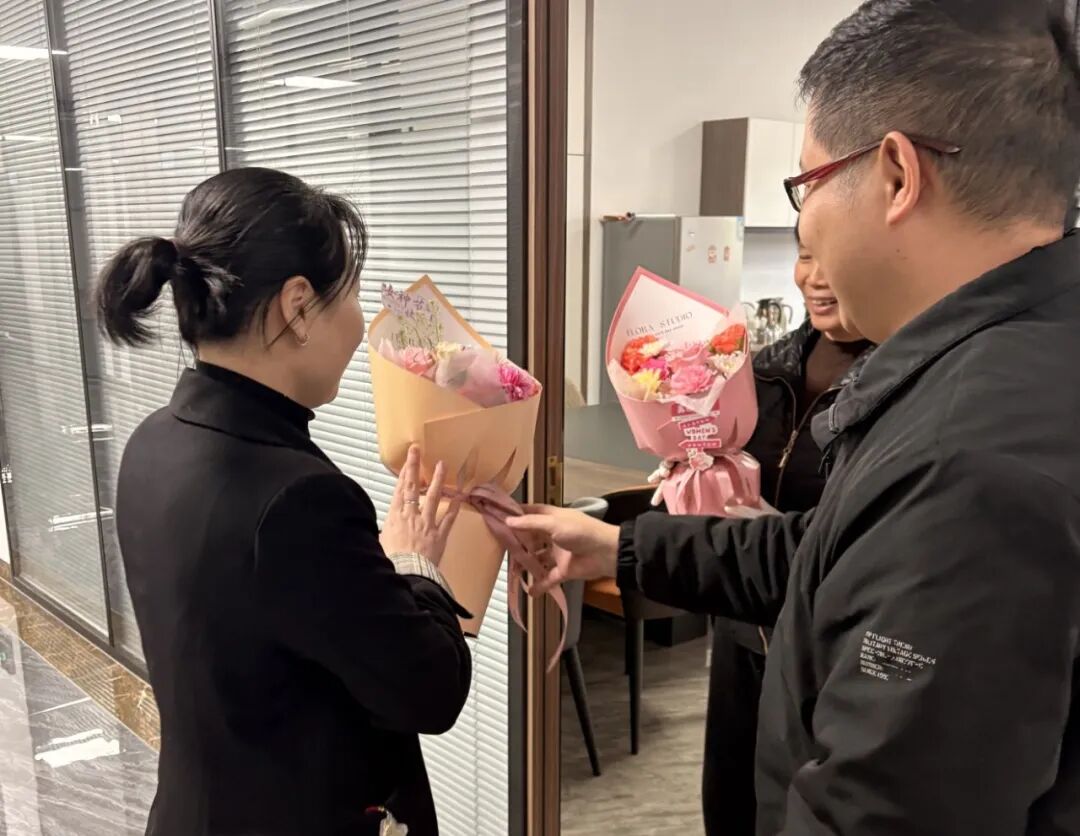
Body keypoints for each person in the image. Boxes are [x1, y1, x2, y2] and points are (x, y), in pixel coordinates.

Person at [509, 3, 1080, 832]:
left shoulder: (968, 460)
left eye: (807, 184)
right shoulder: (1003, 363)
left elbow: (883, 809)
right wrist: (618, 547)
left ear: (896, 174)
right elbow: (827, 548)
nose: (806, 227)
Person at [98, 167, 471, 836]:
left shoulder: (152, 442)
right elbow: (431, 692)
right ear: (298, 306)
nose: (360, 327)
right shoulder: (299, 500)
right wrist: (415, 564)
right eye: (351, 296)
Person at [704, 224, 871, 836]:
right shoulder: (761, 370)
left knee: (798, 806)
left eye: (835, 257)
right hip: (741, 624)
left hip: (825, 643)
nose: (816, 277)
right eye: (805, 255)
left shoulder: (901, 387)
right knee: (730, 799)